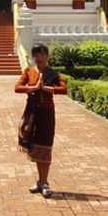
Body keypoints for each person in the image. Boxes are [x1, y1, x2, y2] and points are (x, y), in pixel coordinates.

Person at [14, 44, 67, 198]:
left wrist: (46, 89)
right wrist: (34, 87)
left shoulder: (53, 74)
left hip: (47, 114)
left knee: (46, 145)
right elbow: (17, 87)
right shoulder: (29, 72)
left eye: (42, 55)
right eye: (36, 56)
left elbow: (63, 89)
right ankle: (41, 181)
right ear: (33, 57)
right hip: (33, 113)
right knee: (36, 146)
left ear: (47, 57)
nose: (39, 59)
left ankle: (45, 182)